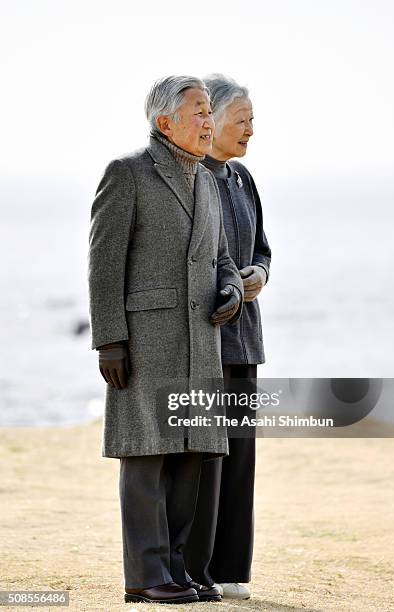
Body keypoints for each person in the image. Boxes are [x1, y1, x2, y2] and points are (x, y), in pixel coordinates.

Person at [87, 75, 244, 605]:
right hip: (146, 342)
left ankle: (177, 572)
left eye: (208, 111)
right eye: (199, 112)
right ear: (165, 123)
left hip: (202, 339)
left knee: (188, 463)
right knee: (147, 460)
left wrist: (231, 290)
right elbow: (104, 264)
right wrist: (110, 340)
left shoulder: (207, 179)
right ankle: (144, 576)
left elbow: (221, 259)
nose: (208, 121)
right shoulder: (127, 173)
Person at [184, 74, 271, 600]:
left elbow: (262, 248)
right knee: (204, 461)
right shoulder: (193, 180)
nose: (250, 131)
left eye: (252, 122)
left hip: (246, 339)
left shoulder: (242, 179)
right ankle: (196, 570)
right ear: (210, 119)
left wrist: (259, 273)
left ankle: (232, 570)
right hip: (205, 338)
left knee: (240, 458)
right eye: (242, 121)